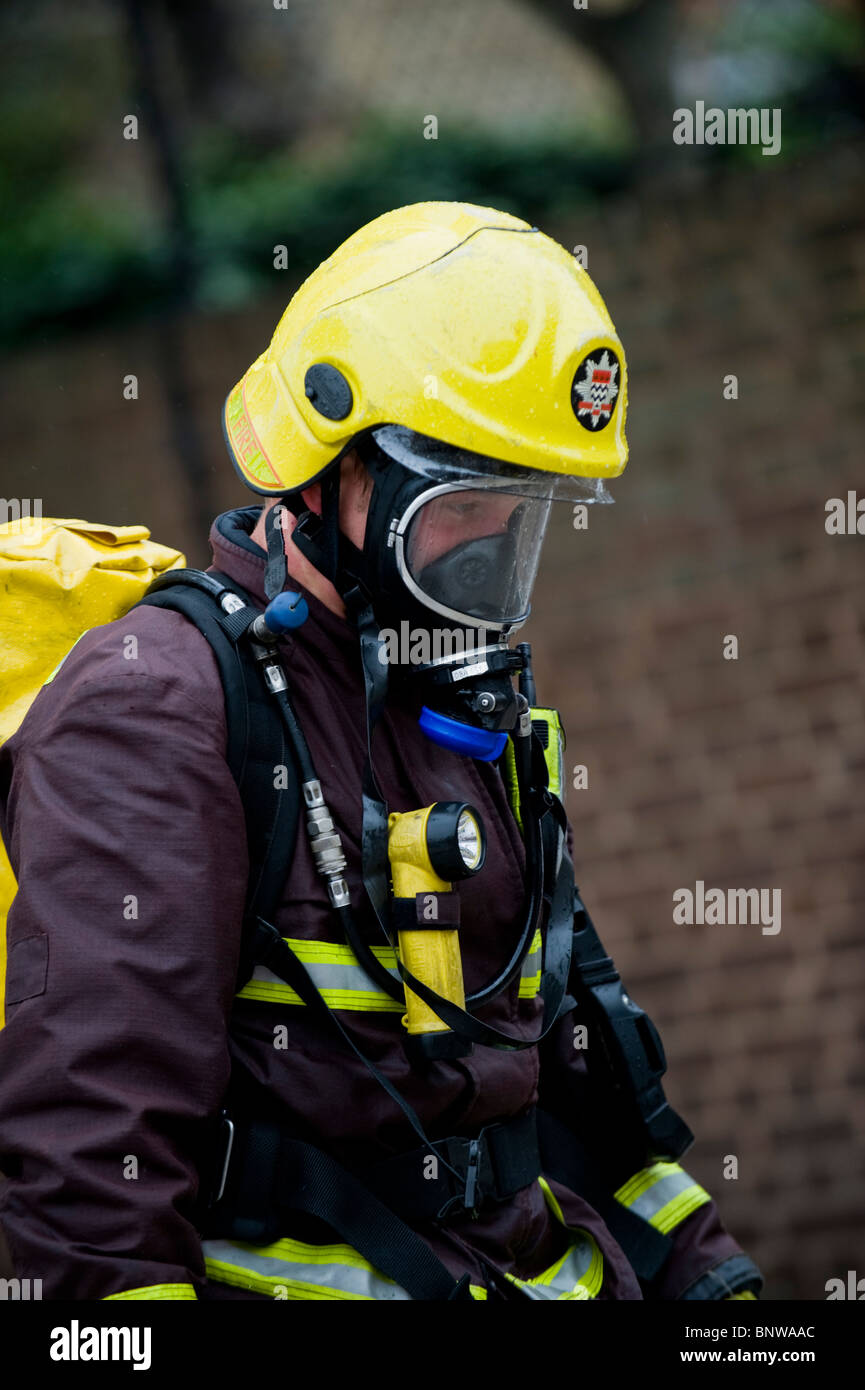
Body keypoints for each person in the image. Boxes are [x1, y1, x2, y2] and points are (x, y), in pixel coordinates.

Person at [0, 201, 763, 1301]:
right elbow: (91, 1184)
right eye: (461, 509)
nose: (492, 564)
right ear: (323, 473)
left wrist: (717, 1292)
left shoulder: (455, 702)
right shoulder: (156, 709)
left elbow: (586, 1087)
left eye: (523, 515)